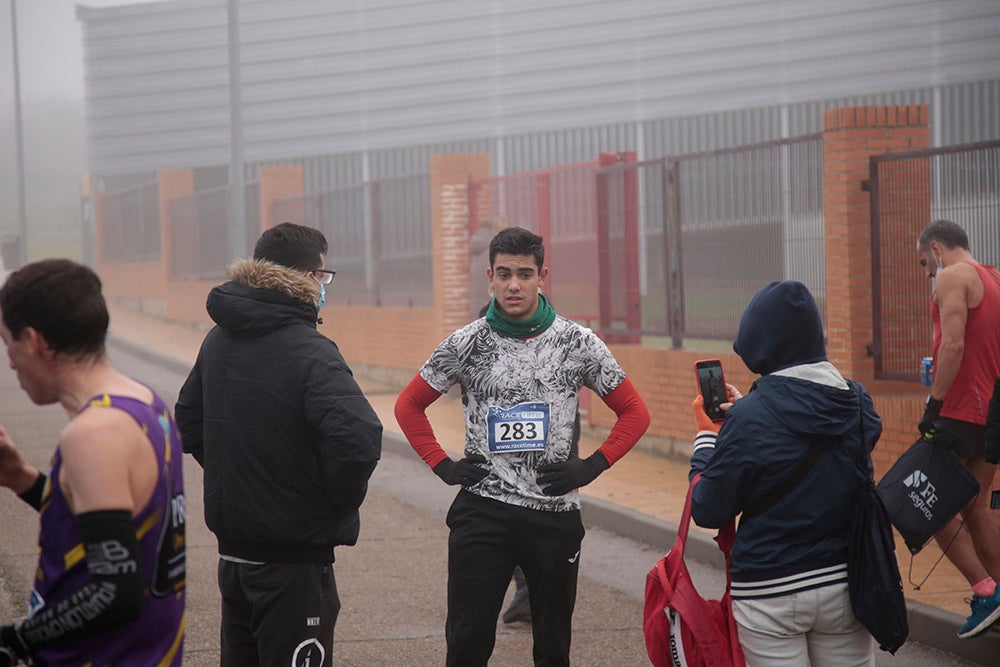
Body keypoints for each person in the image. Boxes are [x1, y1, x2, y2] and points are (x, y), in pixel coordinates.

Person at [395, 226, 650, 666]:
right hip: (483, 511)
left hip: (553, 515)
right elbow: (408, 406)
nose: (514, 285)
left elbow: (635, 413)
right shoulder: (465, 343)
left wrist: (590, 467)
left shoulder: (578, 343)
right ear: (489, 276)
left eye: (525, 274)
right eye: (504, 273)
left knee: (553, 646)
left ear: (542, 276)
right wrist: (442, 465)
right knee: (467, 640)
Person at [175, 222, 382, 667]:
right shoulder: (310, 351)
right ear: (307, 278)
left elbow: (188, 420)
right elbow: (360, 439)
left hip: (234, 555)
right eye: (323, 275)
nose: (325, 285)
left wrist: (240, 475)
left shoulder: (217, 340)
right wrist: (332, 503)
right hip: (294, 564)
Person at [0, 259, 186, 666]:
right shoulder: (145, 404)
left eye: (6, 343)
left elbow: (115, 592)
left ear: (34, 342)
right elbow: (117, 527)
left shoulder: (93, 434)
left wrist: (16, 638)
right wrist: (23, 480)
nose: (10, 362)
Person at [689, 280, 880, 666]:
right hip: (847, 580)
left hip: (769, 589)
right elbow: (805, 431)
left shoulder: (748, 420)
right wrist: (753, 410)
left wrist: (707, 441)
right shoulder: (857, 402)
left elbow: (708, 508)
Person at [915, 219, 1000, 638]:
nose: (930, 275)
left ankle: (986, 592)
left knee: (925, 502)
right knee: (975, 504)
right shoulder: (994, 277)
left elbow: (953, 344)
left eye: (926, 265)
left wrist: (934, 403)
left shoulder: (952, 276)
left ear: (937, 248)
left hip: (961, 409)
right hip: (992, 410)